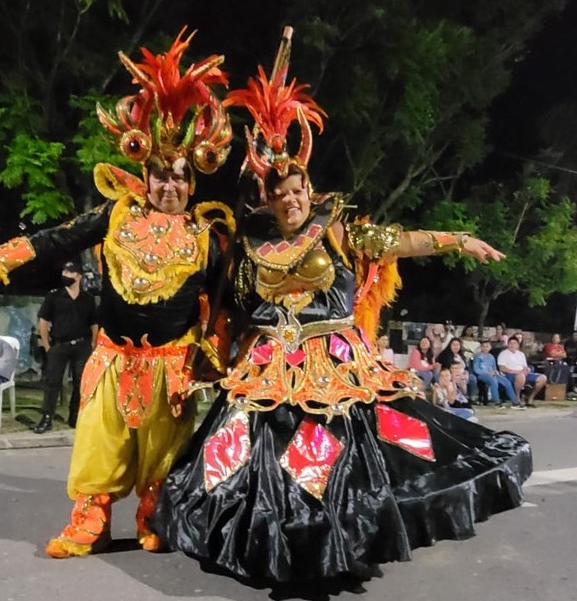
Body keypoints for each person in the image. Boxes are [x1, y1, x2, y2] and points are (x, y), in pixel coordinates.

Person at [154, 33, 531, 583]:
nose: (290, 198)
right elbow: (229, 303)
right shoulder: (251, 244)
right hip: (266, 368)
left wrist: (456, 239)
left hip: (334, 365)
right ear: (267, 197)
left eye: (297, 188)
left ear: (309, 188)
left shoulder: (339, 231)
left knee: (334, 460)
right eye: (278, 191)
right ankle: (279, 547)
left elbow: (399, 239)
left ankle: (331, 545)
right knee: (244, 465)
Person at [0, 30, 235, 557]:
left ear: (191, 184)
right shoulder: (115, 214)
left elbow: (233, 301)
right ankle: (90, 524)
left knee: (164, 454)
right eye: (158, 176)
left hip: (171, 366)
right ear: (144, 178)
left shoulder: (209, 237)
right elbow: (56, 239)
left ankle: (156, 518)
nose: (168, 185)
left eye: (178, 177)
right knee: (97, 444)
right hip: (111, 359)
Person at [34, 260, 98, 433]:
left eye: (69, 273)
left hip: (81, 345)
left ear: (78, 276)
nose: (65, 276)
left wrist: (93, 343)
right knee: (52, 383)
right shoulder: (54, 296)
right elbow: (43, 321)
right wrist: (47, 344)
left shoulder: (88, 299)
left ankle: (75, 416)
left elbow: (94, 323)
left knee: (80, 383)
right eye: (64, 272)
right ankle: (47, 418)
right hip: (59, 345)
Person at [498, 336, 546, 407]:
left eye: (514, 343)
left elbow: (525, 367)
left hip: (522, 373)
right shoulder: (503, 354)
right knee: (521, 376)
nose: (512, 345)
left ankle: (530, 398)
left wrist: (526, 370)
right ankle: (517, 398)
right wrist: (517, 372)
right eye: (510, 343)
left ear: (518, 345)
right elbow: (502, 368)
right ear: (508, 344)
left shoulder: (521, 354)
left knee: (542, 378)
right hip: (510, 375)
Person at [473, 340, 518, 407]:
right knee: (493, 381)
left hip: (492, 374)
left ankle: (515, 401)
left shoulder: (491, 357)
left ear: (490, 347)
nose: (485, 348)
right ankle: (497, 402)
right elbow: (476, 369)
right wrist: (488, 373)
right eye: (483, 346)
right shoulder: (478, 356)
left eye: (487, 346)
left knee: (506, 382)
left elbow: (494, 367)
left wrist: (495, 372)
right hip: (482, 374)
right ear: (481, 347)